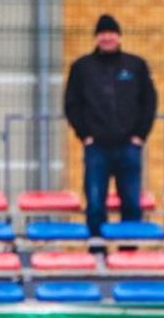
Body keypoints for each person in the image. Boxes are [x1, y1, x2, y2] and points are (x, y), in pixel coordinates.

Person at [63, 14, 158, 241]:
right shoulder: (82, 67)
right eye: (102, 33)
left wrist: (140, 135)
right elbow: (72, 104)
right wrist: (85, 135)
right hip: (97, 148)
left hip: (129, 147)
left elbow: (149, 101)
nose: (107, 37)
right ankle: (97, 250)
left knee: (132, 203)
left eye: (111, 33)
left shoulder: (135, 65)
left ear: (119, 36)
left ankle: (129, 252)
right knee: (95, 203)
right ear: (97, 37)